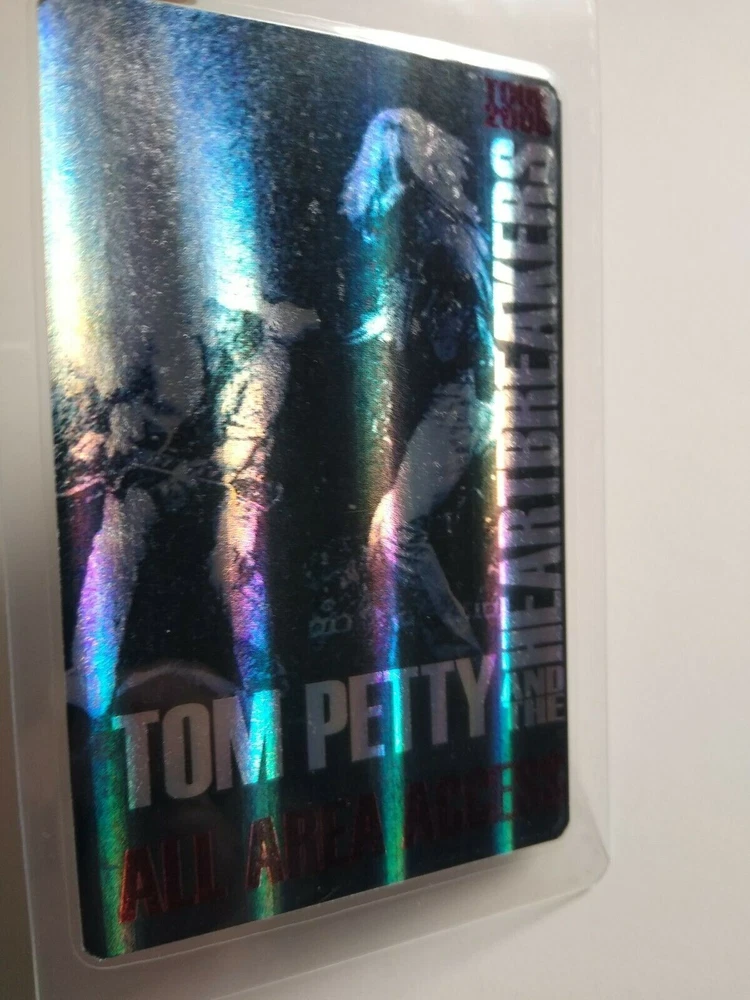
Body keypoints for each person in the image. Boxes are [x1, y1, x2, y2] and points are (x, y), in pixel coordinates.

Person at [342, 108, 494, 657]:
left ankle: (458, 647)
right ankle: (431, 645)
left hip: (460, 403)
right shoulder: (434, 232)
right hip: (454, 401)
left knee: (397, 530)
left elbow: (455, 339)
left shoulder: (441, 237)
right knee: (384, 530)